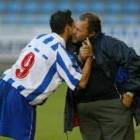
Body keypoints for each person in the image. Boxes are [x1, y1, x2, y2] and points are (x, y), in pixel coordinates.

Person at [0, 10, 93, 140]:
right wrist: (89, 57)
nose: (75, 29)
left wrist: (78, 59)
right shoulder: (59, 52)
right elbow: (81, 82)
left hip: (5, 84)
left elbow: (53, 63)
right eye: (73, 26)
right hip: (21, 96)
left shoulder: (40, 37)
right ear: (67, 27)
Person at [64, 12, 140, 140]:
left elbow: (136, 64)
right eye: (74, 27)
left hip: (113, 107)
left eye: (78, 29)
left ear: (91, 33)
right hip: (85, 112)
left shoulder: (111, 44)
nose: (73, 31)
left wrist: (130, 92)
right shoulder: (70, 46)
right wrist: (79, 58)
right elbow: (64, 71)